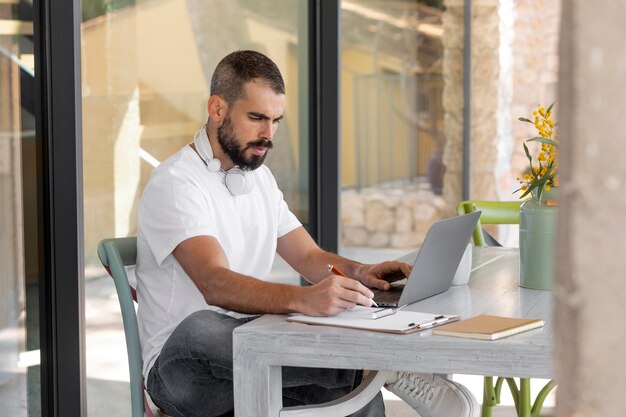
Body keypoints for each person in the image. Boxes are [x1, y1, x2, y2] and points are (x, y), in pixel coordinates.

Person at [135, 50, 479, 417]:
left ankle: (375, 371)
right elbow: (214, 284)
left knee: (352, 396)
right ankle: (385, 366)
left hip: (252, 353)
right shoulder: (176, 183)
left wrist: (361, 273)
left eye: (276, 120)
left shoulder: (259, 179)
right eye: (256, 118)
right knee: (202, 327)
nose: (268, 134)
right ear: (217, 109)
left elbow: (309, 257)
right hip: (183, 372)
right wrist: (304, 300)